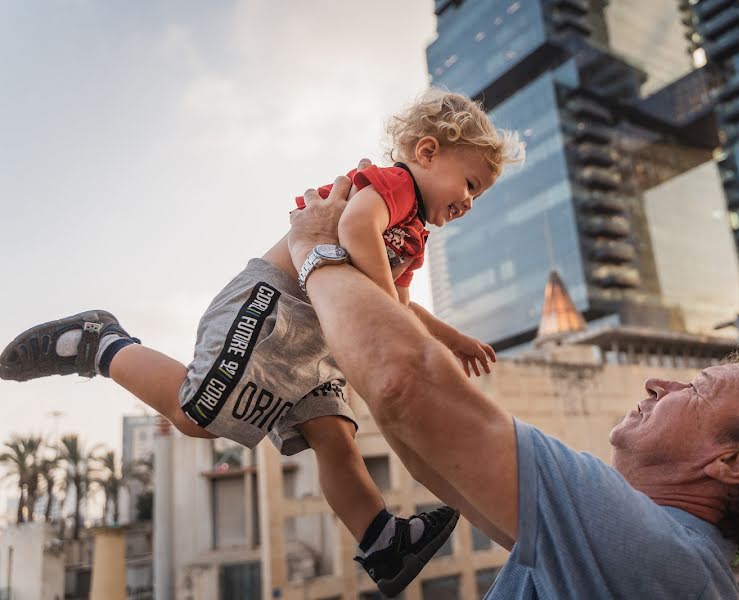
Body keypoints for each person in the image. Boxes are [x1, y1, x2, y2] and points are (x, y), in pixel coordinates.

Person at [0, 89, 521, 597]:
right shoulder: (394, 186)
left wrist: (451, 338)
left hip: (318, 340)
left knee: (334, 438)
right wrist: (389, 320)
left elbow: (399, 304)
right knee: (196, 415)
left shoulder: (414, 237)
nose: (471, 202)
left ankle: (380, 539)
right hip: (273, 309)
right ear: (428, 152)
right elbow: (359, 230)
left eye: (480, 194)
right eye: (470, 183)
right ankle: (101, 344)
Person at [284, 173, 739, 598]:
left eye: (698, 388)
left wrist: (315, 251)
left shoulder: (651, 549)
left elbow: (403, 386)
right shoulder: (656, 563)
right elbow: (428, 455)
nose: (658, 383)